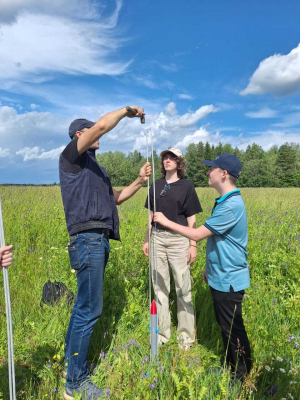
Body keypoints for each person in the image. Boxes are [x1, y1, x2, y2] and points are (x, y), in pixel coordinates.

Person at [59, 106, 151, 400]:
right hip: (87, 240)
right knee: (90, 309)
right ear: (79, 134)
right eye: (89, 129)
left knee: (83, 307)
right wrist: (126, 111)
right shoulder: (72, 157)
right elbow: (100, 127)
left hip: (99, 239)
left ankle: (69, 365)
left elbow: (117, 200)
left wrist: (138, 180)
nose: (97, 132)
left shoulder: (97, 168)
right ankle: (75, 383)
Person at [153, 154, 251, 381]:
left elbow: (198, 234)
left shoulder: (231, 205)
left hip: (229, 278)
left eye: (212, 169)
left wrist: (166, 222)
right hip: (221, 274)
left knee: (233, 329)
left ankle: (242, 376)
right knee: (225, 326)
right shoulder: (225, 201)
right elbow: (219, 240)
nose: (208, 172)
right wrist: (209, 268)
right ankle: (230, 368)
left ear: (223, 174)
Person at [143, 148, 202, 350]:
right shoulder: (155, 185)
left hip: (179, 240)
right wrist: (147, 240)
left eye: (172, 158)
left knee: (183, 288)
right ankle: (162, 335)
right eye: (165, 158)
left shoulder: (187, 186)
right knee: (160, 289)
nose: (167, 160)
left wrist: (192, 244)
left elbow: (192, 218)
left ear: (179, 163)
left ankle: (186, 337)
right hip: (157, 239)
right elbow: (151, 217)